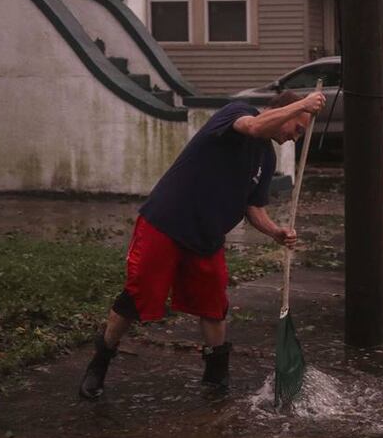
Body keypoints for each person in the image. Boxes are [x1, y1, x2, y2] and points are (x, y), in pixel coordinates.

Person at [79, 90, 326, 399]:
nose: (295, 138)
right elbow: (253, 127)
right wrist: (304, 104)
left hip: (207, 237)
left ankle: (216, 378)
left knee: (212, 304)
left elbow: (252, 207)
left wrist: (275, 231)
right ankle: (99, 362)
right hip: (167, 223)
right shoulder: (237, 112)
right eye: (298, 129)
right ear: (283, 111)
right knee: (138, 294)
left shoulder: (266, 157)